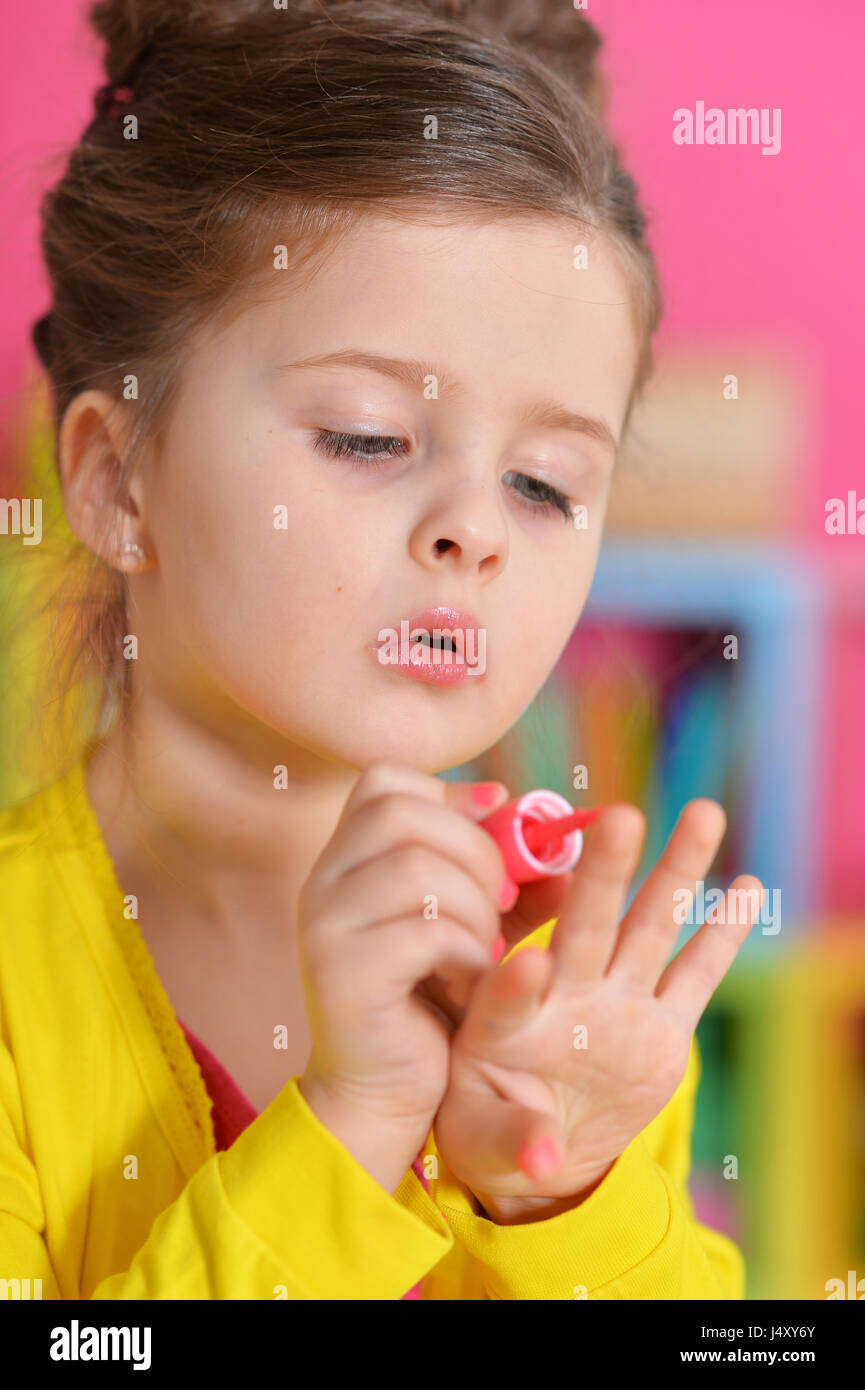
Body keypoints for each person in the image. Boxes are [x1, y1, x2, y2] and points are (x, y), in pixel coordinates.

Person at [0, 0, 761, 1299]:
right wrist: (347, 1130)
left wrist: (555, 1194)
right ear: (118, 482)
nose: (474, 527)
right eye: (365, 438)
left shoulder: (564, 980)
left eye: (541, 482)